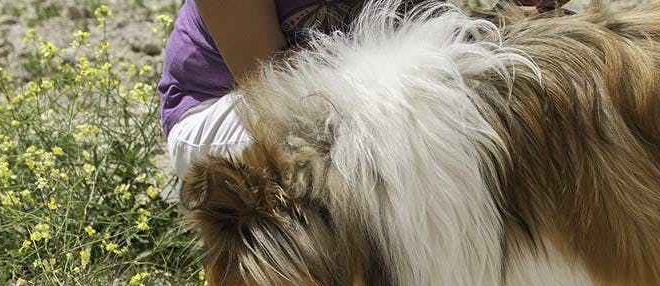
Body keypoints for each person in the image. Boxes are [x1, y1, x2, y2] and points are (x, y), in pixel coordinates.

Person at [160, 0, 573, 178]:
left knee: (539, 68)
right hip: (225, 111)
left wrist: (520, 19)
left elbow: (425, 26)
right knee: (370, 133)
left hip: (365, 92)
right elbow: (272, 85)